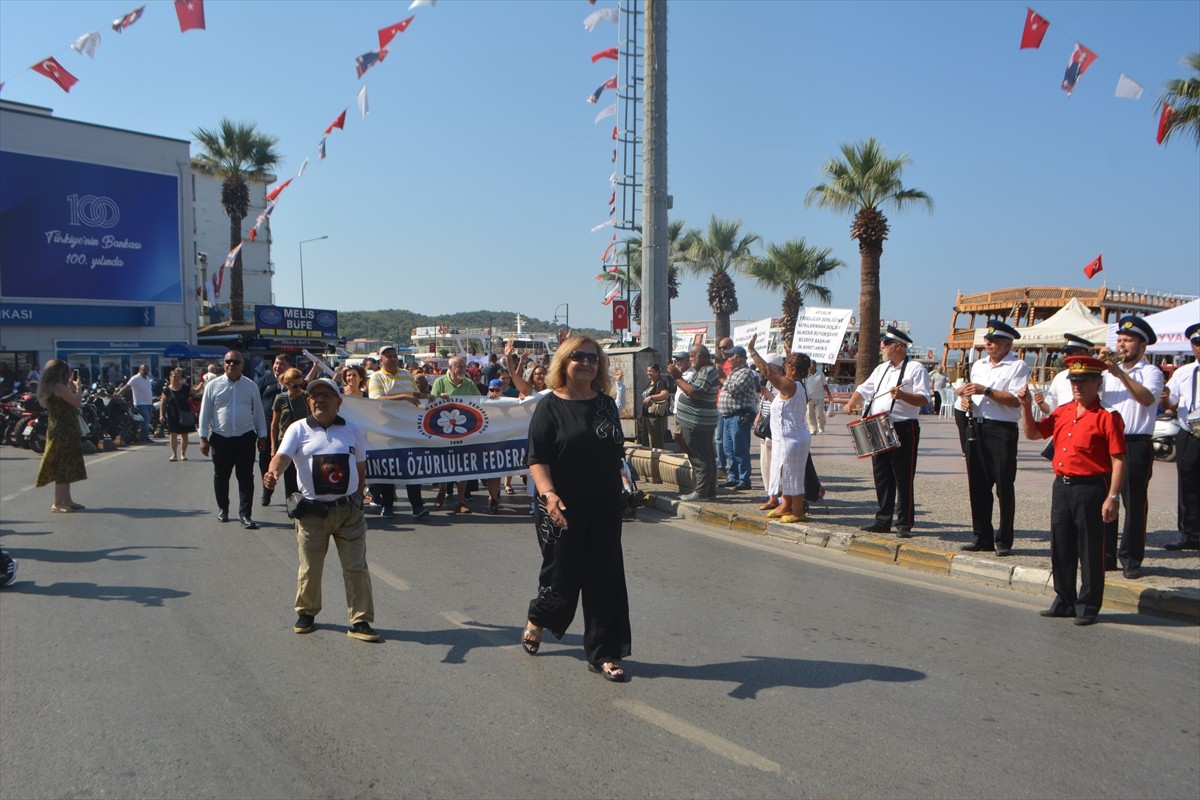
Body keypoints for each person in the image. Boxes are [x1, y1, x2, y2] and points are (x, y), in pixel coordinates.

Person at [521, 335, 631, 682]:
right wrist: (549, 495)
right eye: (578, 357)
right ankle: (538, 618)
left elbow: (614, 453)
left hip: (605, 504)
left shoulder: (606, 405)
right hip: (561, 507)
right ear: (564, 363)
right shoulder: (549, 406)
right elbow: (537, 459)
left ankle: (603, 653)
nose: (586, 363)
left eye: (593, 358)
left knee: (604, 577)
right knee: (561, 577)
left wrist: (624, 482)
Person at [264, 378, 381, 643]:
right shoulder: (298, 430)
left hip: (348, 512)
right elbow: (282, 458)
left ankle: (360, 620)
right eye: (315, 395)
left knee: (356, 567)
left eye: (327, 395)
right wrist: (272, 472)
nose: (320, 399)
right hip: (311, 513)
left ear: (339, 402)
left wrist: (358, 500)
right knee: (310, 567)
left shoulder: (353, 429)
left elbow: (360, 469)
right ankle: (306, 613)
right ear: (308, 402)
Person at [1018, 356, 1126, 626]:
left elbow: (1119, 459)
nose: (1077, 386)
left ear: (1097, 384)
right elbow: (1033, 434)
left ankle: (1088, 604)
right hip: (1063, 486)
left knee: (1090, 549)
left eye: (1084, 381)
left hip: (1091, 487)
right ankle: (1064, 599)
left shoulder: (1108, 416)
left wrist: (1112, 497)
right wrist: (1026, 407)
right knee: (1061, 546)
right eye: (1074, 381)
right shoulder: (1064, 411)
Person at [844, 326, 931, 537]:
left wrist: (902, 396)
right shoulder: (882, 368)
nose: (882, 347)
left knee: (903, 476)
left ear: (899, 346)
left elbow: (924, 399)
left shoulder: (916, 369)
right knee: (881, 475)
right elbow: (864, 389)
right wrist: (851, 403)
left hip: (902, 426)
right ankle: (883, 520)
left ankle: (904, 524)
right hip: (879, 424)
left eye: (886, 344)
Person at [956, 320, 1030, 555]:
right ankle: (982, 536)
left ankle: (1004, 539)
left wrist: (985, 390)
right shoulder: (978, 364)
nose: (989, 343)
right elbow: (968, 392)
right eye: (987, 340)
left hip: (1002, 429)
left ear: (1007, 344)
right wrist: (966, 398)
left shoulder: (1017, 367)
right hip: (976, 425)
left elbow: (1015, 400)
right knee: (977, 485)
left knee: (1004, 486)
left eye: (994, 340)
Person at [1101, 315, 1163, 579]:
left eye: (1128, 340)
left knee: (1134, 502)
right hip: (1107, 441)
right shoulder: (1107, 371)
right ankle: (1105, 555)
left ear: (1141, 345)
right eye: (1120, 339)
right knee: (1104, 498)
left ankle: (1131, 558)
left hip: (1135, 442)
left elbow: (1147, 398)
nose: (1122, 345)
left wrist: (1120, 375)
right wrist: (1098, 366)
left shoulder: (1151, 372)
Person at [198, 350, 269, 530]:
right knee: (221, 476)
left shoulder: (251, 386)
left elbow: (259, 412)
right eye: (228, 361)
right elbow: (205, 412)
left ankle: (245, 514)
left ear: (241, 365)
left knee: (246, 477)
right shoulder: (213, 386)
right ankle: (223, 509)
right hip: (221, 437)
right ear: (224, 364)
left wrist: (262, 435)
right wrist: (203, 437)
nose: (231, 364)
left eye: (235, 362)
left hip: (245, 437)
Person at [747, 337, 810, 523]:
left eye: (786, 366)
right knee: (783, 473)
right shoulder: (794, 386)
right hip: (785, 438)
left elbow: (766, 371)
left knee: (793, 475)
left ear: (793, 370)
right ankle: (785, 505)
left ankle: (798, 511)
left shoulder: (790, 385)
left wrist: (753, 352)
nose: (783, 369)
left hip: (793, 439)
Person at [366, 344, 428, 520]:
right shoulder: (376, 377)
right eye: (389, 356)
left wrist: (428, 396)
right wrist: (403, 397)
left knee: (412, 467)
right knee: (389, 468)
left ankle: (417, 505)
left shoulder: (407, 375)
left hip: (408, 428)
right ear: (381, 360)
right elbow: (376, 400)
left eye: (394, 356)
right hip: (386, 429)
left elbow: (416, 396)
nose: (393, 359)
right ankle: (387, 505)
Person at [1161, 322, 1200, 551]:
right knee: (1187, 485)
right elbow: (1169, 404)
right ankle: (1189, 535)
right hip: (1189, 433)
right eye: (1196, 343)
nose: (1199, 348)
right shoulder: (1184, 372)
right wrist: (1165, 397)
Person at [668, 344, 721, 501]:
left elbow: (694, 392)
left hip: (698, 421)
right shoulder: (703, 372)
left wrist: (677, 377)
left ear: (702, 357)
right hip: (696, 420)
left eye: (692, 356)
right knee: (707, 456)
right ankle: (709, 491)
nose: (690, 360)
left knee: (700, 457)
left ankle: (701, 492)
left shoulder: (708, 371)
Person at [34, 359, 86, 513]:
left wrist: (70, 387)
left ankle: (67, 499)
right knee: (63, 465)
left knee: (68, 463)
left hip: (61, 428)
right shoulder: (58, 387)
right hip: (64, 430)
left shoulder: (54, 386)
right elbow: (76, 402)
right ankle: (58, 503)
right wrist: (78, 388)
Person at [717, 346, 759, 490]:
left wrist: (722, 377)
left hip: (738, 415)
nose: (728, 359)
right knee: (728, 449)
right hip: (727, 416)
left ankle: (744, 479)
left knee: (740, 449)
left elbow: (734, 388)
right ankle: (733, 477)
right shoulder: (734, 373)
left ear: (739, 358)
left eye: (731, 356)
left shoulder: (746, 373)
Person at [257, 354, 291, 507]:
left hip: (288, 430)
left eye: (281, 364)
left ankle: (292, 499)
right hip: (266, 428)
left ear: (288, 366)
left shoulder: (293, 381)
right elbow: (256, 401)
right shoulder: (266, 380)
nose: (278, 366)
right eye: (276, 363)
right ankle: (267, 491)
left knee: (291, 467)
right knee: (265, 462)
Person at [270, 368, 309, 499]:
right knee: (290, 476)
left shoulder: (306, 397)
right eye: (295, 385)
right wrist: (273, 447)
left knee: (305, 473)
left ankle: (306, 504)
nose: (299, 388)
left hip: (305, 440)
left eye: (301, 384)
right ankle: (292, 505)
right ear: (286, 384)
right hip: (286, 440)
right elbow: (274, 425)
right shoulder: (280, 399)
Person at [755, 354, 785, 512]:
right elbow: (765, 402)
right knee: (765, 463)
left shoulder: (781, 383)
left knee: (776, 463)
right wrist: (759, 413)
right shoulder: (768, 381)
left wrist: (767, 393)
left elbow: (781, 404)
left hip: (776, 428)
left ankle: (779, 495)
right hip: (766, 427)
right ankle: (770, 493)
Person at [161, 367, 196, 461]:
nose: (176, 378)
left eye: (178, 376)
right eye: (174, 376)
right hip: (172, 415)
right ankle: (174, 454)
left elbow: (195, 391)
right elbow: (163, 403)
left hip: (184, 414)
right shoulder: (166, 390)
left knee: (184, 435)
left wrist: (202, 383)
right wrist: (161, 415)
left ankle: (183, 454)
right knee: (173, 435)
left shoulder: (186, 388)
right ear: (170, 377)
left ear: (180, 377)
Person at [638, 363, 672, 450]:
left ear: (657, 372)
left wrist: (651, 397)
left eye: (651, 371)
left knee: (655, 443)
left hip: (655, 417)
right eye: (647, 371)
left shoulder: (660, 382)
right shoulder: (650, 383)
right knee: (645, 442)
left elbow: (665, 394)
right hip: (646, 416)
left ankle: (656, 460)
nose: (648, 373)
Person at [669, 351, 694, 454]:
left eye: (680, 360)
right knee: (677, 436)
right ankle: (687, 453)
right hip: (677, 409)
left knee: (685, 436)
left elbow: (685, 385)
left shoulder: (691, 373)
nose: (677, 362)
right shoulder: (680, 373)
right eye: (676, 360)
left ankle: (690, 454)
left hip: (686, 410)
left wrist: (676, 375)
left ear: (687, 361)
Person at [123, 363, 155, 442]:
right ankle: (144, 438)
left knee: (147, 422)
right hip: (141, 404)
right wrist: (117, 394)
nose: (146, 371)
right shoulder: (135, 378)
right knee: (145, 421)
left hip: (149, 403)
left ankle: (144, 436)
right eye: (144, 370)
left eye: (147, 369)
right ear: (140, 370)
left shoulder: (147, 378)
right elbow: (126, 387)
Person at [805, 362, 833, 434]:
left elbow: (825, 385)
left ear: (815, 366)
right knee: (809, 414)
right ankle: (813, 429)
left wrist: (829, 394)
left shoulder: (820, 374)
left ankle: (821, 426)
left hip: (819, 397)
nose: (810, 368)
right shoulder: (806, 374)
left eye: (812, 366)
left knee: (819, 413)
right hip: (809, 398)